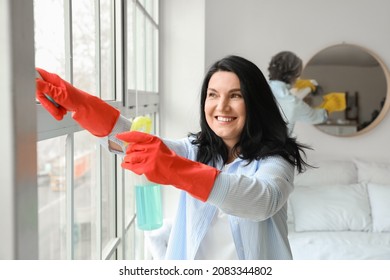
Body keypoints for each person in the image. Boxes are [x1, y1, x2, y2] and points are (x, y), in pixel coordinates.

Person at [36, 55, 312, 260]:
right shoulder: (196, 150)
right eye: (212, 95)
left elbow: (261, 200)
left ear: (255, 103)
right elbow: (130, 138)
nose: (221, 106)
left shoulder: (277, 161)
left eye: (236, 96)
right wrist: (79, 103)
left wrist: (177, 170)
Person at [268, 51, 330, 134]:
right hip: (276, 145)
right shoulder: (292, 103)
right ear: (294, 76)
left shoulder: (257, 86)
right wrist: (331, 104)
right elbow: (318, 117)